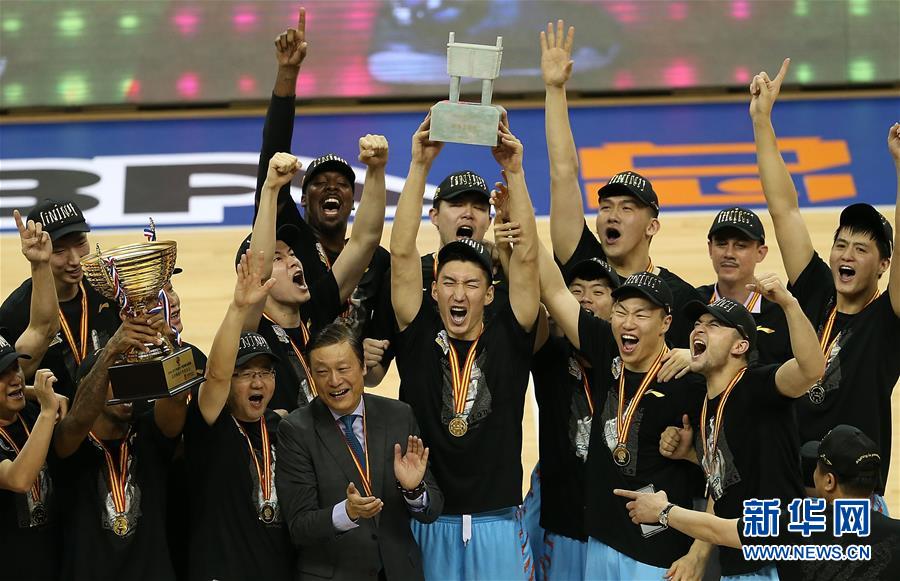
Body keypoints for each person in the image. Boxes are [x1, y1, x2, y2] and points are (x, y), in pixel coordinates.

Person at [390, 117, 540, 579]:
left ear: (490, 293)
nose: (459, 294)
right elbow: (401, 254)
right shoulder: (417, 331)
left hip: (499, 520)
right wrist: (419, 165)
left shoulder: (510, 333)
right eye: (449, 283)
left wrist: (515, 171)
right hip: (428, 519)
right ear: (433, 290)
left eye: (472, 284)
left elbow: (528, 259)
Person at [752, 57, 900, 503]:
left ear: (884, 265)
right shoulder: (815, 288)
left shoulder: (888, 321)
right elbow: (785, 210)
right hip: (791, 488)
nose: (846, 255)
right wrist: (762, 121)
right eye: (841, 244)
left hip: (852, 500)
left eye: (862, 249)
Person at [538, 230, 706, 579]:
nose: (628, 322)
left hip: (657, 554)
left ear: (666, 323)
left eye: (641, 314)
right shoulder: (606, 350)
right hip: (602, 543)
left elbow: (725, 477)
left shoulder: (689, 382)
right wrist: (517, 210)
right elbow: (553, 289)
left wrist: (697, 556)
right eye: (621, 312)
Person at [541, 20, 700, 348]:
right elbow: (563, 173)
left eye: (627, 208)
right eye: (605, 207)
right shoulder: (580, 259)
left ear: (652, 226)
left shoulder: (680, 297)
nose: (611, 215)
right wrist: (555, 90)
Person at [662, 280, 825, 579]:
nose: (699, 329)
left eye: (714, 325)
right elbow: (732, 478)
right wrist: (694, 456)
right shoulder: (709, 403)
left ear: (740, 346)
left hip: (776, 562)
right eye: (697, 324)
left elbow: (812, 370)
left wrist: (789, 304)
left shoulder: (758, 385)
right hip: (737, 562)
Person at [252, 8, 391, 335]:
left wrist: (376, 169)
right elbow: (272, 151)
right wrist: (288, 73)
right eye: (319, 183)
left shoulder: (377, 261)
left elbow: (367, 238)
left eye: (342, 183)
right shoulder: (293, 241)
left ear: (353, 202)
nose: (331, 187)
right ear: (302, 199)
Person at [617, 424, 900, 580]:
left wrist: (663, 511)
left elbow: (717, 529)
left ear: (828, 482)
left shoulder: (796, 524)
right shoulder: (895, 534)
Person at [275, 320, 444, 580]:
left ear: (363, 366)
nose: (334, 380)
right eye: (322, 372)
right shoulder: (296, 430)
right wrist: (347, 513)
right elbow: (299, 527)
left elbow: (431, 511)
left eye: (343, 368)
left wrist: (413, 490)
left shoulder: (398, 415)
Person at [243, 145, 387, 414]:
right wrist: (271, 189)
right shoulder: (252, 329)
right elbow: (258, 273)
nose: (293, 261)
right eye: (278, 258)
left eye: (292, 254)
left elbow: (364, 241)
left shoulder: (316, 309)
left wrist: (376, 169)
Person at [363, 122, 507, 387]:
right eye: (456, 204)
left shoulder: (505, 277)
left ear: (489, 220)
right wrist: (366, 361)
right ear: (434, 216)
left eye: (478, 207)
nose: (468, 213)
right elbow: (374, 376)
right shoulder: (409, 276)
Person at [50, 310, 190, 581]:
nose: (127, 385)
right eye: (115, 376)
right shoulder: (70, 444)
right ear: (87, 386)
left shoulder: (148, 433)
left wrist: (166, 345)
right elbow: (78, 419)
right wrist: (111, 351)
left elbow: (176, 399)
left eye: (130, 374)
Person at [183, 250, 292, 581]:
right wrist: (238, 308)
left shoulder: (282, 429)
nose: (258, 382)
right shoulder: (210, 425)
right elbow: (216, 375)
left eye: (265, 372)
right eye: (245, 373)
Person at [0, 199, 121, 399]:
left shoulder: (107, 287)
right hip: (54, 415)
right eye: (59, 250)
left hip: (110, 408)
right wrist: (38, 395)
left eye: (80, 243)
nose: (75, 260)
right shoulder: (15, 313)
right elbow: (8, 382)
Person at [696, 207, 791, 365]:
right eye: (721, 244)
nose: (729, 254)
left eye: (740, 246)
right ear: (710, 249)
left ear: (760, 253)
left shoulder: (782, 312)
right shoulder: (693, 304)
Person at [1, 336, 61, 581]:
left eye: (15, 367)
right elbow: (18, 479)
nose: (16, 378)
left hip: (53, 560)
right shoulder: (42, 412)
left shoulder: (29, 411)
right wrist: (48, 412)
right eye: (2, 374)